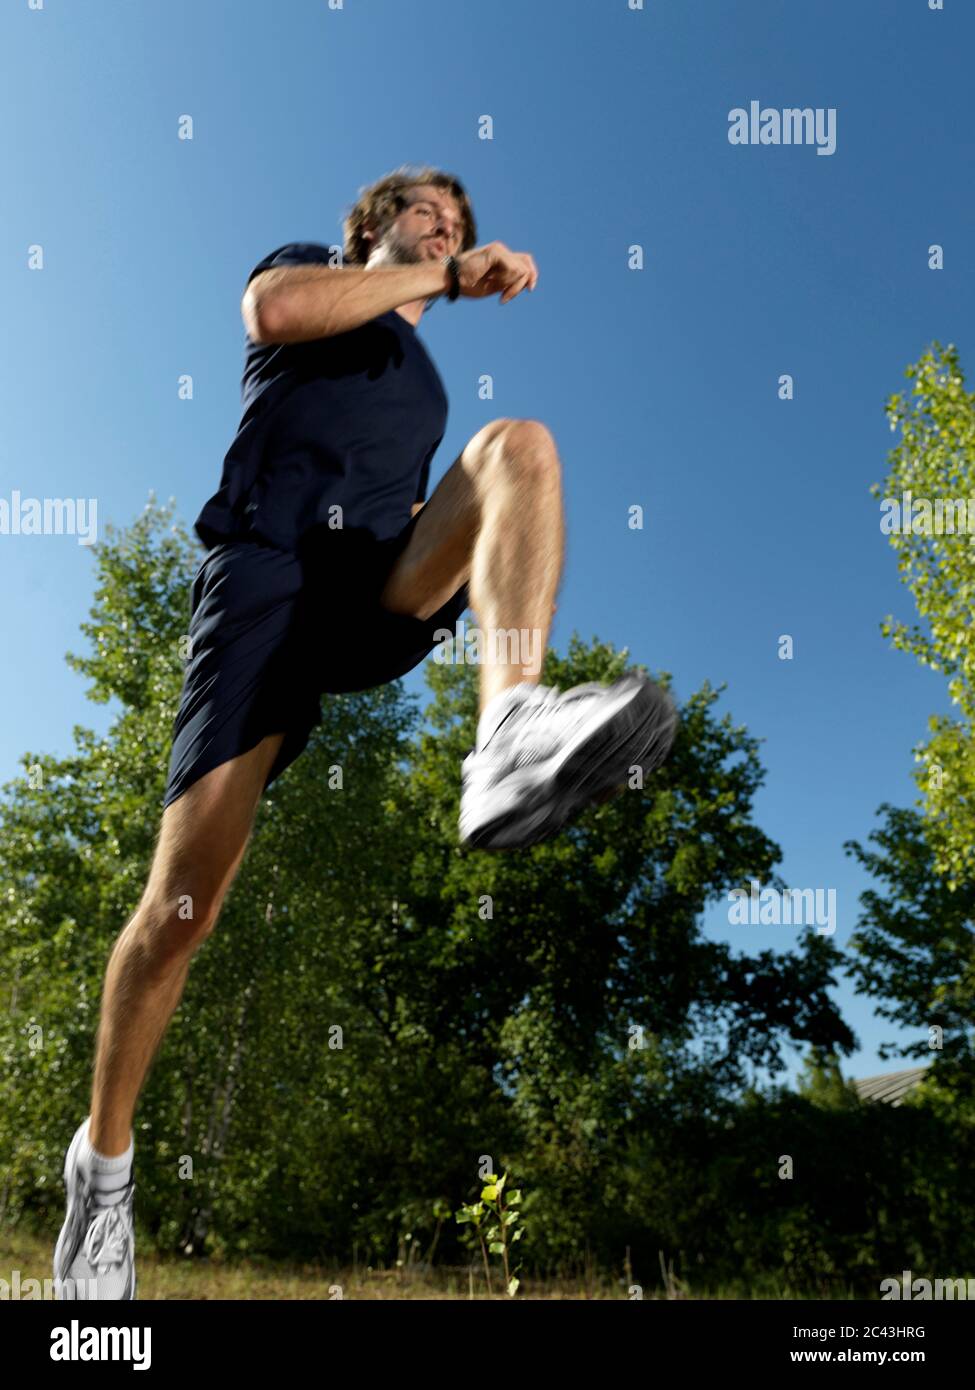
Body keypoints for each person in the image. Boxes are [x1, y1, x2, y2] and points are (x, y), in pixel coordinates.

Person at [53, 164, 677, 1299]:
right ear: (373, 226)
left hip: (371, 586)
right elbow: (274, 314)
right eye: (424, 216)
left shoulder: (425, 383)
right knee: (181, 908)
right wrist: (441, 269)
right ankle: (102, 1175)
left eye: (458, 224)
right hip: (268, 575)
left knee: (520, 449)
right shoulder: (310, 273)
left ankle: (508, 733)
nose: (445, 231)